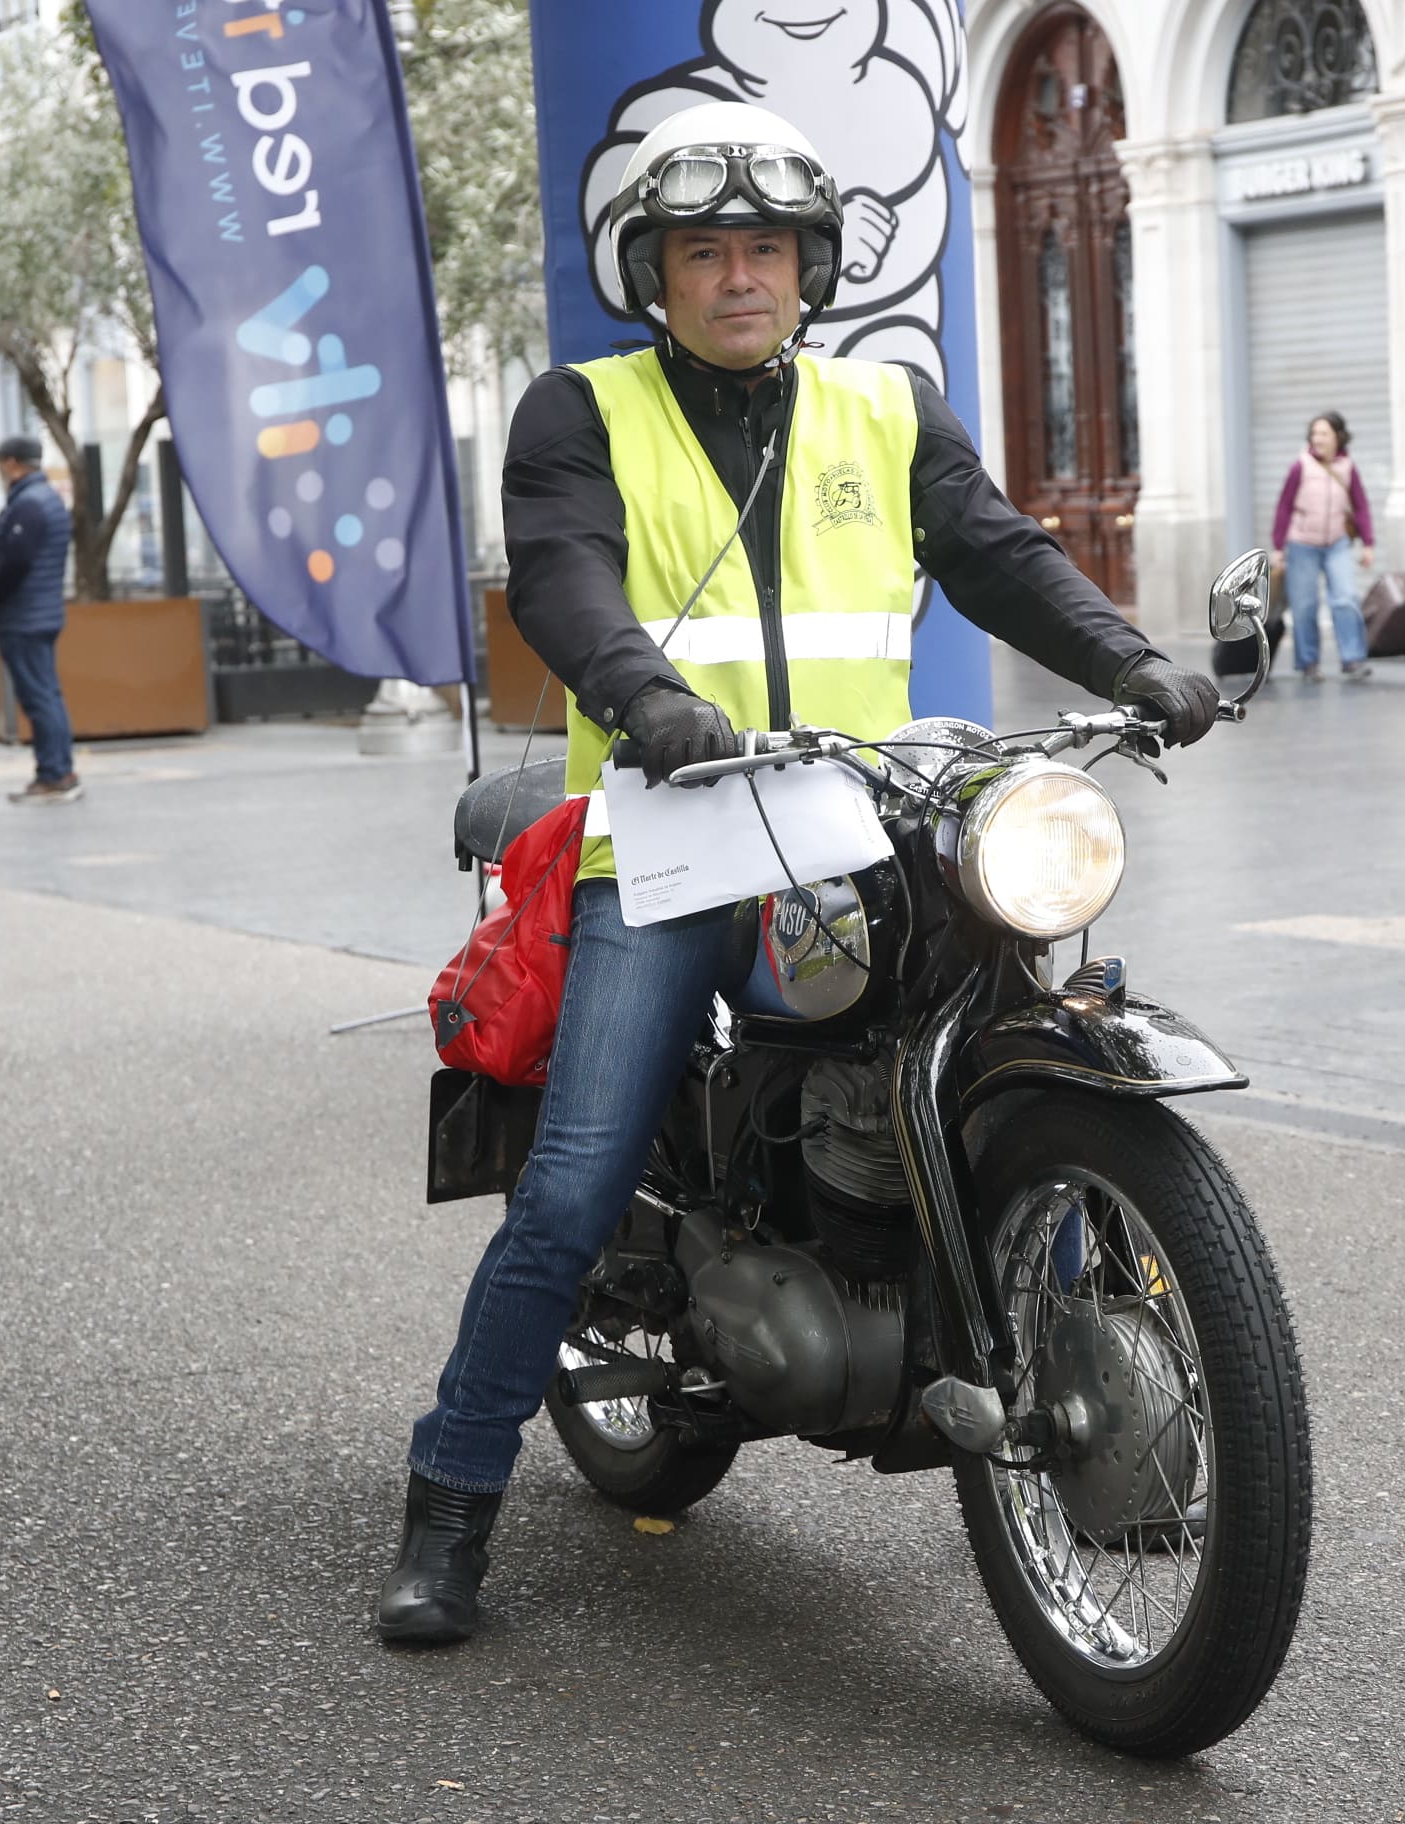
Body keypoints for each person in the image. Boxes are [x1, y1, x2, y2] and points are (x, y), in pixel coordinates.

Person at [376, 101, 1221, 1647]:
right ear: (658, 271)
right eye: (705, 251)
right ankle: (449, 1507)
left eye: (765, 248)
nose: (739, 276)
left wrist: (1139, 662)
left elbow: (1000, 554)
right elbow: (562, 575)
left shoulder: (885, 413)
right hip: (672, 833)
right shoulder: (582, 413)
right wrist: (646, 700)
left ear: (810, 264)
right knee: (569, 1192)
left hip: (854, 825)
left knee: (1014, 989)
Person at [0, 435, 79, 805]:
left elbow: (15, 562)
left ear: (13, 463)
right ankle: (61, 771)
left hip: (24, 615)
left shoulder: (30, 504)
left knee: (39, 697)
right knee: (47, 694)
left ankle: (53, 774)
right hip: (40, 611)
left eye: (1, 462)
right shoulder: (45, 499)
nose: (0, 470)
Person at [1268, 412, 1376, 682]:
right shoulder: (1300, 466)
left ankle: (1352, 659)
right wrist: (1279, 547)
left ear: (1337, 437)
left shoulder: (1347, 467)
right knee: (1304, 605)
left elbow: (1360, 505)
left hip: (1337, 543)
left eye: (1324, 433)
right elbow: (1284, 506)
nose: (1318, 438)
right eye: (1315, 433)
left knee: (1346, 598)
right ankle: (1308, 663)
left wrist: (1368, 543)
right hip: (1302, 543)